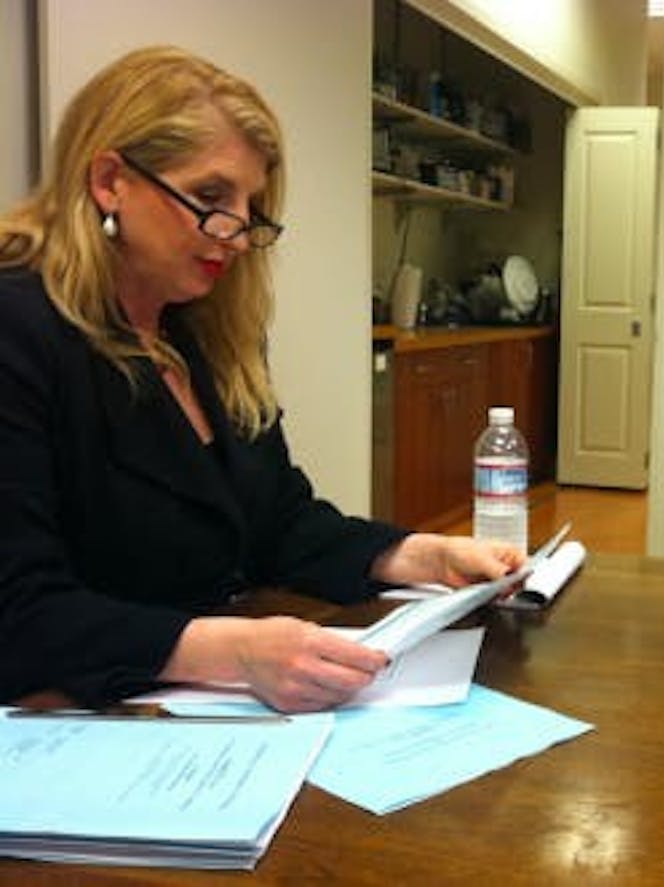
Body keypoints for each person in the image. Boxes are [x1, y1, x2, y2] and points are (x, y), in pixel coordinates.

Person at [0, 46, 524, 713]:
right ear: (110, 181)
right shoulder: (19, 327)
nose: (239, 233)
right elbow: (20, 610)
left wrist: (424, 556)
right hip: (70, 721)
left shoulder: (204, 335)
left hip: (192, 708)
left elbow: (278, 522)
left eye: (251, 206)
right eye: (212, 196)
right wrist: (236, 652)